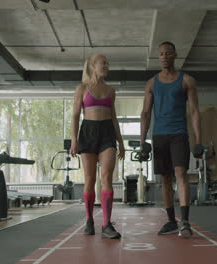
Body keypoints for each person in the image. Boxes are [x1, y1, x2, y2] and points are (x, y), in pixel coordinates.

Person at [140, 41, 203, 238]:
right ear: (158, 57)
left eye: (168, 53)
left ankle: (185, 222)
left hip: (178, 134)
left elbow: (194, 112)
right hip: (159, 135)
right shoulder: (151, 83)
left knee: (180, 174)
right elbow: (145, 113)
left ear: (175, 55)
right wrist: (143, 142)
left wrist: (198, 140)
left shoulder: (187, 81)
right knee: (165, 179)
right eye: (161, 54)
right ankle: (170, 221)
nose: (164, 56)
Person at [70, 54, 125, 239]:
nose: (107, 66)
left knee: (107, 176)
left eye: (108, 63)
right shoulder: (82, 88)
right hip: (88, 133)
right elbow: (76, 116)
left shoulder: (111, 91)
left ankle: (107, 224)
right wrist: (74, 140)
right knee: (89, 179)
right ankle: (89, 220)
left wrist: (121, 142)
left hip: (107, 133)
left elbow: (114, 118)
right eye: (104, 63)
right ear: (93, 66)